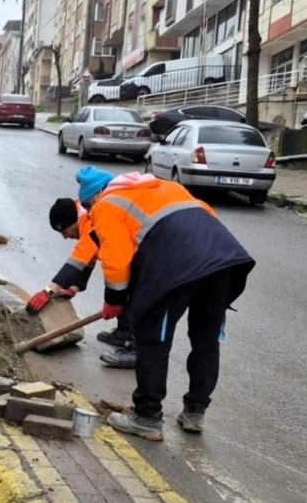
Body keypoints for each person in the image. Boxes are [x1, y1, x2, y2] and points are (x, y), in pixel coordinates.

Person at [74, 165, 255, 441]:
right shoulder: (165, 187)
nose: (89, 214)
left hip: (175, 269)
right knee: (206, 342)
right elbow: (205, 217)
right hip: (224, 262)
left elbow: (116, 258)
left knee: (153, 342)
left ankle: (147, 418)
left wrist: (115, 299)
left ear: (95, 196)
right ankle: (195, 412)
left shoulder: (107, 204)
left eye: (87, 207)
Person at [26, 198, 136, 367]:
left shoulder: (90, 224)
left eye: (64, 231)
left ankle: (137, 349)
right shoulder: (86, 222)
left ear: (72, 222)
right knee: (122, 287)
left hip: (141, 258)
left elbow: (77, 261)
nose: (65, 237)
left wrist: (48, 291)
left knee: (136, 296)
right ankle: (124, 331)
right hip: (130, 260)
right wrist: (74, 288)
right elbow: (88, 260)